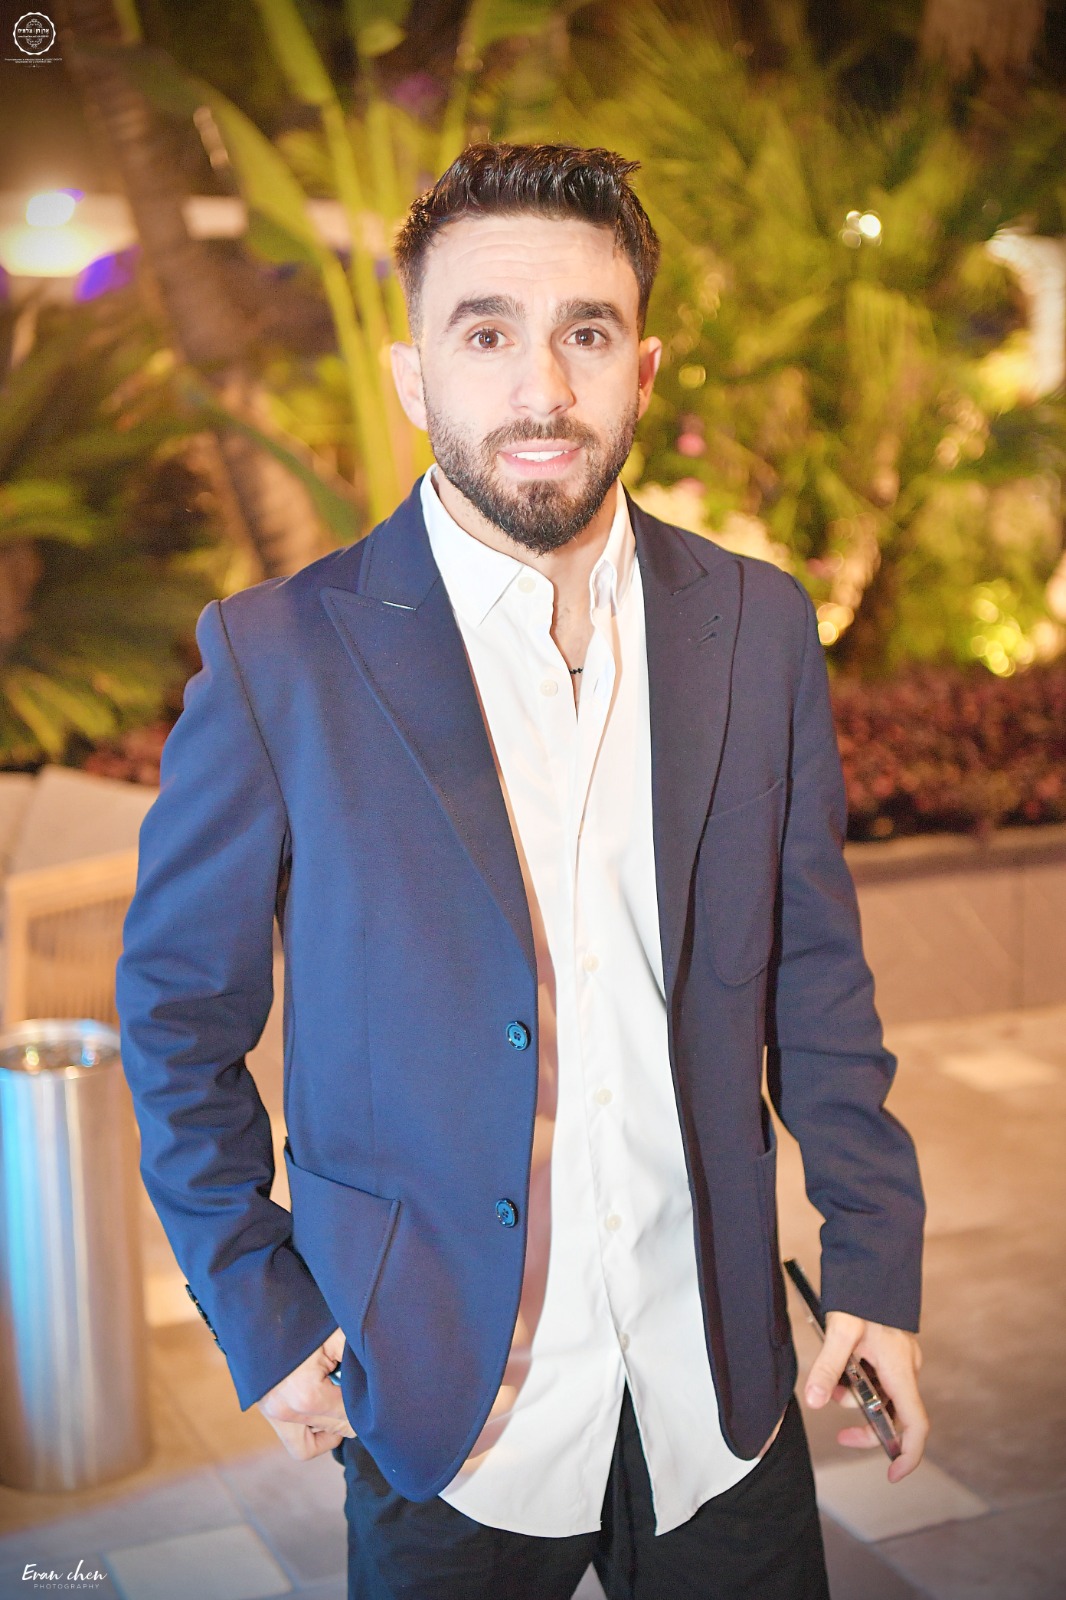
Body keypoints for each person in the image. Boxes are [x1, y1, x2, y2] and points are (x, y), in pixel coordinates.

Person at [117, 143, 927, 1600]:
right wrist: (259, 1306)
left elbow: (815, 975)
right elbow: (177, 1017)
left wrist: (873, 1258)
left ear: (643, 369)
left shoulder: (756, 627)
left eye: (586, 333)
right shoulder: (279, 656)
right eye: (485, 334)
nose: (541, 389)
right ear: (413, 376)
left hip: (716, 1383)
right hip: (440, 1398)